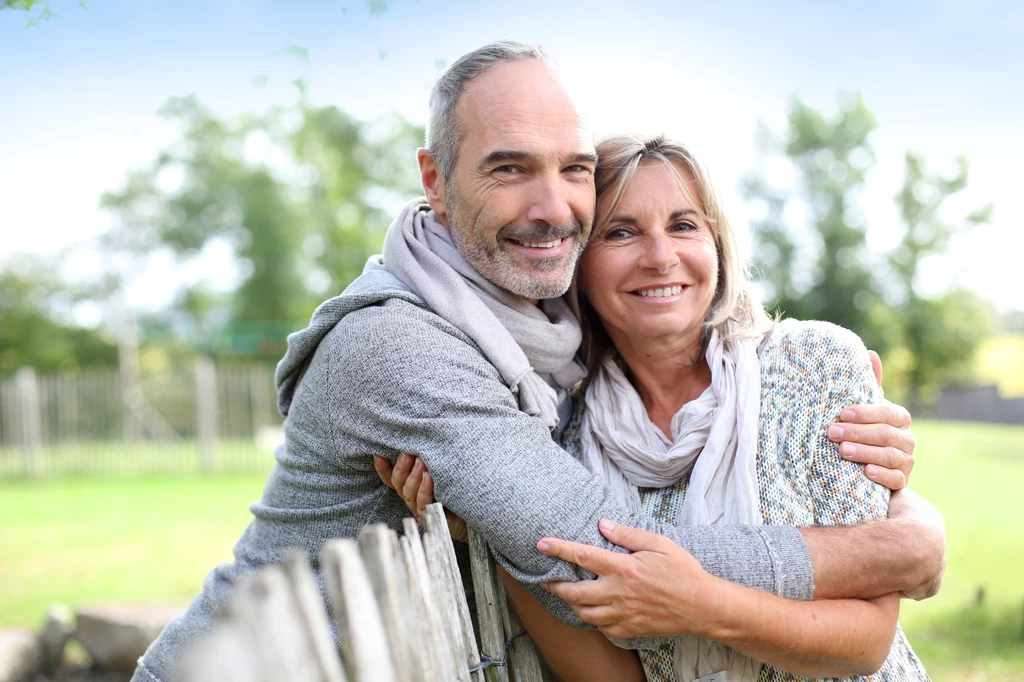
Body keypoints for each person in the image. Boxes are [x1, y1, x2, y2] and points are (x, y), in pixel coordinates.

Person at [130, 42, 942, 682]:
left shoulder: (544, 348)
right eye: (510, 167)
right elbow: (597, 549)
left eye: (575, 170)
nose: (554, 208)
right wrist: (894, 549)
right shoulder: (401, 346)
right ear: (435, 181)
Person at [386, 134, 935, 681]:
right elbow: (616, 677)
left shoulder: (815, 365)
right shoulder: (564, 440)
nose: (659, 257)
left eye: (683, 225)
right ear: (577, 261)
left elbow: (865, 643)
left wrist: (704, 604)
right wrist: (490, 523)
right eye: (621, 232)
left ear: (717, 243)